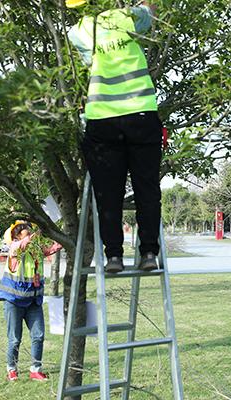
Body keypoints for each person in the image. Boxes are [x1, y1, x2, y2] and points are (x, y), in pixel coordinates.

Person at [67, 0, 162, 274]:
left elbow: (88, 59)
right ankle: (148, 253)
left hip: (102, 118)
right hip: (140, 114)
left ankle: (114, 257)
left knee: (108, 194)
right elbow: (150, 11)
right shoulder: (128, 16)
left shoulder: (80, 30)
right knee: (146, 189)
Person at [0, 220, 62, 381]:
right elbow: (22, 245)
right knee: (15, 339)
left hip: (33, 301)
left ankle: (35, 369)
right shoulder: (14, 249)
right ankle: (12, 369)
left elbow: (53, 248)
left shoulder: (36, 250)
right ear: (17, 237)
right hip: (14, 301)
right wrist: (37, 232)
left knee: (38, 335)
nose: (31, 236)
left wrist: (61, 237)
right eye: (26, 233)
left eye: (30, 232)